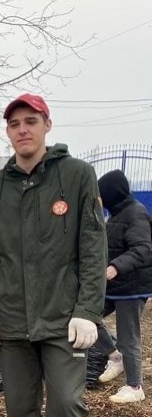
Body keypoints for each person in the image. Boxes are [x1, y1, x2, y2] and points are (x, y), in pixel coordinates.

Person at [0, 93, 107, 416]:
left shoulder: (77, 176)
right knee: (19, 408)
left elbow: (92, 247)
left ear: (47, 125)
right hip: (12, 321)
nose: (23, 130)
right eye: (14, 124)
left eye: (31, 121)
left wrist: (88, 310)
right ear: (7, 132)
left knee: (65, 404)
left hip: (64, 318)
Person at [93, 169, 152, 403]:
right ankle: (113, 356)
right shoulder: (116, 213)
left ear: (111, 193)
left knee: (129, 337)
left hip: (133, 286)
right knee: (87, 316)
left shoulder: (136, 214)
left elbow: (143, 249)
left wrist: (116, 266)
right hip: (114, 285)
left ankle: (135, 387)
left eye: (101, 194)